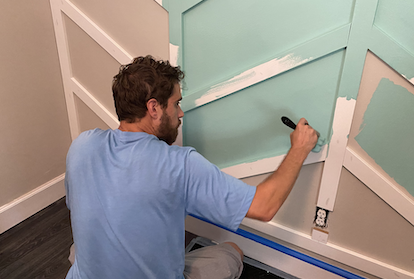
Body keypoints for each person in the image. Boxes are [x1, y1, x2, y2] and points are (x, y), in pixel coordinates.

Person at [65, 55, 318, 279]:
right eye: (176, 103)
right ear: (154, 108)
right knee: (232, 253)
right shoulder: (179, 164)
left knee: (78, 250)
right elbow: (264, 206)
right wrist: (299, 149)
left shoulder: (82, 146)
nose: (181, 113)